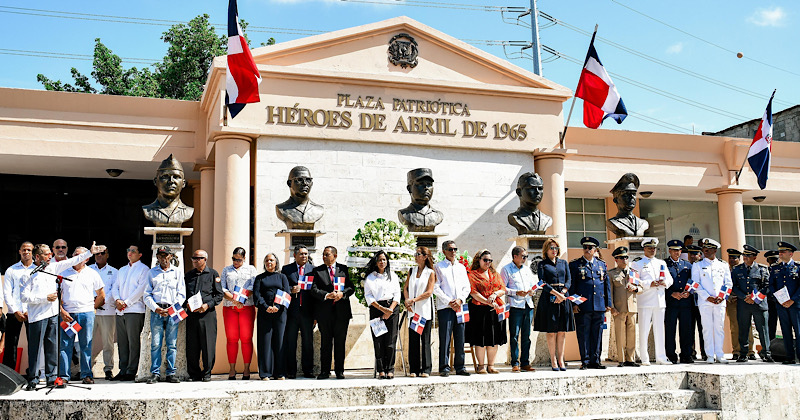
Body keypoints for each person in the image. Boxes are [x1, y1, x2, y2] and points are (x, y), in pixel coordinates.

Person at [20, 241, 101, 390]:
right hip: (37, 316)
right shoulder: (28, 274)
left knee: (53, 347)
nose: (50, 256)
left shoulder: (53, 268)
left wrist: (90, 252)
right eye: (46, 254)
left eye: (50, 253)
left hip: (52, 315)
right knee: (36, 348)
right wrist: (44, 298)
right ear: (37, 257)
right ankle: (34, 378)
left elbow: (73, 260)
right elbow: (24, 297)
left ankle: (52, 378)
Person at [58, 247, 105, 384]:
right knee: (65, 345)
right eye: (75, 254)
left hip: (86, 313)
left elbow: (101, 295)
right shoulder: (63, 272)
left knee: (86, 344)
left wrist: (92, 308)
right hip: (68, 315)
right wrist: (62, 311)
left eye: (81, 255)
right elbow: (56, 296)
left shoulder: (92, 273)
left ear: (87, 258)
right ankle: (64, 376)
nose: (77, 257)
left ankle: (86, 375)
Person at [143, 246, 186, 384]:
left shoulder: (177, 273)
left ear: (171, 256)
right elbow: (147, 294)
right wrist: (155, 308)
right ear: (157, 257)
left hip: (173, 310)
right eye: (160, 256)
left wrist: (173, 307)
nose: (163, 258)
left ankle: (171, 373)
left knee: (171, 344)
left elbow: (182, 293)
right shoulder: (152, 273)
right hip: (157, 311)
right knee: (156, 343)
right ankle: (155, 373)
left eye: (166, 255)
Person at [310, 246, 354, 379]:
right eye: (323, 254)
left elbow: (351, 287)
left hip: (342, 312)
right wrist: (326, 295)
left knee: (340, 342)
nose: (324, 257)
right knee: (326, 343)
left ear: (335, 255)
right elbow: (313, 289)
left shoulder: (344, 269)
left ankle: (339, 370)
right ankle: (325, 371)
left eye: (327, 254)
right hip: (325, 313)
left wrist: (342, 293)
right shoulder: (317, 271)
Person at [569, 237, 611, 369]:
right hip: (583, 306)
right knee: (583, 333)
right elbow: (572, 286)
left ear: (595, 250)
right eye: (585, 247)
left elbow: (606, 285)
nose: (587, 250)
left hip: (599, 305)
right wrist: (574, 304)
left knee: (597, 334)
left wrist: (608, 303)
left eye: (590, 248)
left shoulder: (601, 264)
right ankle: (585, 361)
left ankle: (596, 360)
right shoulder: (575, 265)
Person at [631, 238, 673, 365]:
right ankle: (645, 358)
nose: (652, 250)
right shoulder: (637, 263)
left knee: (660, 329)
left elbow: (670, 279)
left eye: (654, 248)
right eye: (649, 248)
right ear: (644, 249)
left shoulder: (661, 263)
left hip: (659, 300)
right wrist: (650, 283)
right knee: (643, 330)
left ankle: (661, 357)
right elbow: (634, 280)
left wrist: (665, 283)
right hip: (645, 300)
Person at [111, 245, 150, 381]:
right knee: (122, 342)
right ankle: (123, 369)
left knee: (133, 342)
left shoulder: (144, 269)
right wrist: (117, 299)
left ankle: (132, 370)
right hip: (120, 310)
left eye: (133, 251)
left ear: (140, 254)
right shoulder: (122, 269)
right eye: (128, 250)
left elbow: (141, 289)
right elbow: (115, 287)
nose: (130, 253)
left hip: (134, 309)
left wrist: (126, 302)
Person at [534, 238, 573, 371]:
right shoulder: (542, 264)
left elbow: (568, 280)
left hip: (563, 296)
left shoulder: (563, 263)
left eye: (556, 248)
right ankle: (553, 359)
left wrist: (563, 293)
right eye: (551, 248)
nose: (554, 250)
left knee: (562, 331)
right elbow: (542, 282)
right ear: (546, 250)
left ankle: (561, 359)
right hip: (549, 297)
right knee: (551, 331)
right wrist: (557, 295)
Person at [433, 240, 471, 377]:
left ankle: (460, 366)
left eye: (455, 249)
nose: (453, 252)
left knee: (460, 337)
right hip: (445, 307)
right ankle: (444, 367)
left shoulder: (461, 267)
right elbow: (435, 287)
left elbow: (467, 286)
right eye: (450, 249)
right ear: (444, 251)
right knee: (445, 337)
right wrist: (449, 301)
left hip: (460, 306)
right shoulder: (438, 267)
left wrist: (460, 299)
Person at [185, 249, 224, 382]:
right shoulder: (188, 276)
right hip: (192, 315)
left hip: (207, 315)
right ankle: (194, 374)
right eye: (193, 258)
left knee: (208, 345)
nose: (195, 261)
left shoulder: (213, 274)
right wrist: (187, 305)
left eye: (198, 258)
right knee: (192, 346)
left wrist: (207, 305)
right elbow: (183, 294)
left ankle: (207, 372)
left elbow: (219, 295)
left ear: (205, 260)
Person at [691, 238, 732, 364]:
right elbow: (695, 283)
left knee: (719, 328)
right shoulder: (698, 265)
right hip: (705, 302)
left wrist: (721, 296)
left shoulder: (723, 265)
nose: (706, 251)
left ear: (715, 250)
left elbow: (728, 283)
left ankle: (720, 354)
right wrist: (707, 296)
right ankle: (709, 355)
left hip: (719, 302)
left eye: (708, 249)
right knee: (707, 328)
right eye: (704, 249)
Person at [466, 250, 506, 374]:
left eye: (490, 260)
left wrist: (494, 295)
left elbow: (502, 289)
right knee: (481, 338)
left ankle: (491, 365)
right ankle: (481, 365)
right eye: (485, 260)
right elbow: (473, 292)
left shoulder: (494, 274)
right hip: (479, 309)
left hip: (495, 309)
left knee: (494, 338)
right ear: (479, 260)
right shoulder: (472, 275)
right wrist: (487, 301)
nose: (488, 262)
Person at [221, 247, 258, 380]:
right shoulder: (226, 270)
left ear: (244, 258)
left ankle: (247, 369)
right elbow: (223, 288)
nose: (236, 262)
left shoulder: (251, 269)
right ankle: (232, 369)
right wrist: (234, 299)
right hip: (230, 306)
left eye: (239, 260)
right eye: (234, 259)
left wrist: (241, 299)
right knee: (231, 339)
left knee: (246, 338)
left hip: (246, 306)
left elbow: (253, 286)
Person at [732, 245, 774, 363]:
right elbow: (734, 286)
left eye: (748, 255)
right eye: (744, 255)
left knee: (763, 329)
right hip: (744, 303)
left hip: (759, 304)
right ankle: (743, 353)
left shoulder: (762, 269)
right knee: (743, 329)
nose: (745, 257)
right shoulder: (737, 269)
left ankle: (766, 353)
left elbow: (767, 286)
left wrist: (755, 298)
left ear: (754, 257)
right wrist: (743, 296)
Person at [364, 251, 401, 379]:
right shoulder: (370, 278)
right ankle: (381, 369)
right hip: (376, 309)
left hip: (392, 309)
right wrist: (381, 309)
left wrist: (389, 310)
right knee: (378, 339)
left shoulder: (393, 276)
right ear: (376, 261)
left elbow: (397, 294)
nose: (382, 262)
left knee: (391, 340)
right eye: (380, 260)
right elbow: (368, 295)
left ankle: (390, 368)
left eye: (384, 260)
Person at [253, 253, 291, 380]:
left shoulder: (282, 277)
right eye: (267, 260)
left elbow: (287, 293)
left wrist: (278, 307)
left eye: (271, 260)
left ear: (276, 262)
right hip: (265, 313)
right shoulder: (259, 278)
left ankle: (279, 373)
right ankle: (265, 373)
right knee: (265, 342)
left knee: (280, 341)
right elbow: (257, 295)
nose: (269, 262)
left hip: (280, 314)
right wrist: (266, 307)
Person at [281, 245, 316, 379]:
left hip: (308, 312)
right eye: (301, 254)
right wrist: (290, 289)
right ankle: (291, 370)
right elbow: (282, 288)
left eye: (306, 254)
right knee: (291, 342)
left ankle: (308, 370)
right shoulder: (287, 269)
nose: (304, 256)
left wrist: (315, 315)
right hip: (292, 312)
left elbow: (315, 293)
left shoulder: (313, 270)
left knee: (308, 342)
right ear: (295, 255)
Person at [500, 246, 537, 372]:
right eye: (523, 256)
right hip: (515, 305)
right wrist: (516, 292)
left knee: (527, 335)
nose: (525, 259)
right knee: (515, 335)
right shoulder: (506, 269)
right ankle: (515, 362)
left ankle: (525, 362)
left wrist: (532, 290)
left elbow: (533, 285)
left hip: (528, 305)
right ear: (515, 256)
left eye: (526, 256)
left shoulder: (527, 270)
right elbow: (503, 288)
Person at [404, 246, 435, 378]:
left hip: (424, 310)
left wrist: (414, 300)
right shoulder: (412, 270)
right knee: (413, 340)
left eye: (418, 254)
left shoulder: (430, 272)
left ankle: (426, 369)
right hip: (413, 311)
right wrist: (406, 300)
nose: (416, 256)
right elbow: (405, 288)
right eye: (415, 254)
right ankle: (414, 369)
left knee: (425, 339)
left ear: (425, 257)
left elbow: (429, 292)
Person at [608, 246, 641, 367]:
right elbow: (609, 292)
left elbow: (641, 288)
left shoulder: (633, 273)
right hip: (619, 308)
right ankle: (621, 359)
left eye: (626, 257)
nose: (624, 260)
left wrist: (636, 288)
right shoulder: (611, 274)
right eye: (621, 258)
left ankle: (630, 359)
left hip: (632, 308)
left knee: (632, 334)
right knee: (620, 334)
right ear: (616, 259)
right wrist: (611, 307)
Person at [3, 242, 34, 371]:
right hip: (13, 312)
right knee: (10, 344)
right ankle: (9, 373)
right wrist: (15, 310)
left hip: (32, 312)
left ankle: (34, 373)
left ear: (33, 252)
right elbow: (7, 292)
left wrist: (27, 310)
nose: (26, 252)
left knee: (34, 344)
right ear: (19, 252)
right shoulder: (11, 270)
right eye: (24, 250)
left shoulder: (37, 269)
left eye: (29, 250)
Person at [89, 246, 118, 380]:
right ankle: (86, 368)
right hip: (90, 310)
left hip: (108, 310)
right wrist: (94, 300)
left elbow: (115, 289)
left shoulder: (114, 271)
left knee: (108, 342)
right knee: (88, 341)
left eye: (102, 253)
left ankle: (108, 369)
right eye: (97, 253)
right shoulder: (88, 270)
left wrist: (103, 299)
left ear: (107, 255)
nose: (99, 255)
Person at [664, 240, 694, 364]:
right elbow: (662, 283)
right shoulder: (664, 264)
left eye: (679, 250)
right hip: (671, 302)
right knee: (670, 330)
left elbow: (693, 280)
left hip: (685, 303)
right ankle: (671, 355)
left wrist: (689, 292)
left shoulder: (687, 265)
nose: (677, 252)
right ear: (669, 251)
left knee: (686, 330)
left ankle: (686, 354)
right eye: (674, 250)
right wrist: (671, 293)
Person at [770, 241, 800, 364]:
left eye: (783, 251)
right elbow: (771, 285)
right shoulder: (776, 268)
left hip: (795, 305)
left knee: (798, 331)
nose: (780, 253)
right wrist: (779, 299)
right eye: (780, 252)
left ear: (791, 254)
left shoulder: (797, 268)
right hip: (782, 305)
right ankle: (789, 356)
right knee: (785, 331)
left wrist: (792, 299)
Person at [726, 249, 754, 360]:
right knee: (734, 326)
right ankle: (736, 351)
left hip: (743, 301)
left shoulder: (744, 269)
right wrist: (727, 296)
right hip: (731, 302)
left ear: (739, 259)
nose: (732, 260)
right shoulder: (725, 269)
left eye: (734, 258)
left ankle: (750, 351)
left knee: (747, 326)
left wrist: (742, 296)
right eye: (730, 258)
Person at [686, 244, 706, 360]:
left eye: (695, 254)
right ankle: (691, 352)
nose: (692, 256)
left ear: (700, 255)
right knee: (689, 329)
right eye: (690, 254)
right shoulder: (686, 267)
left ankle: (704, 352)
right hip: (689, 302)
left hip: (702, 301)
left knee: (703, 328)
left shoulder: (703, 266)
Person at [764, 249, 780, 341]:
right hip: (769, 302)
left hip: (781, 301)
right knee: (770, 325)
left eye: (776, 259)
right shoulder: (765, 271)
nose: (775, 261)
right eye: (772, 259)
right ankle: (770, 346)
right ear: (768, 261)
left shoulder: (781, 270)